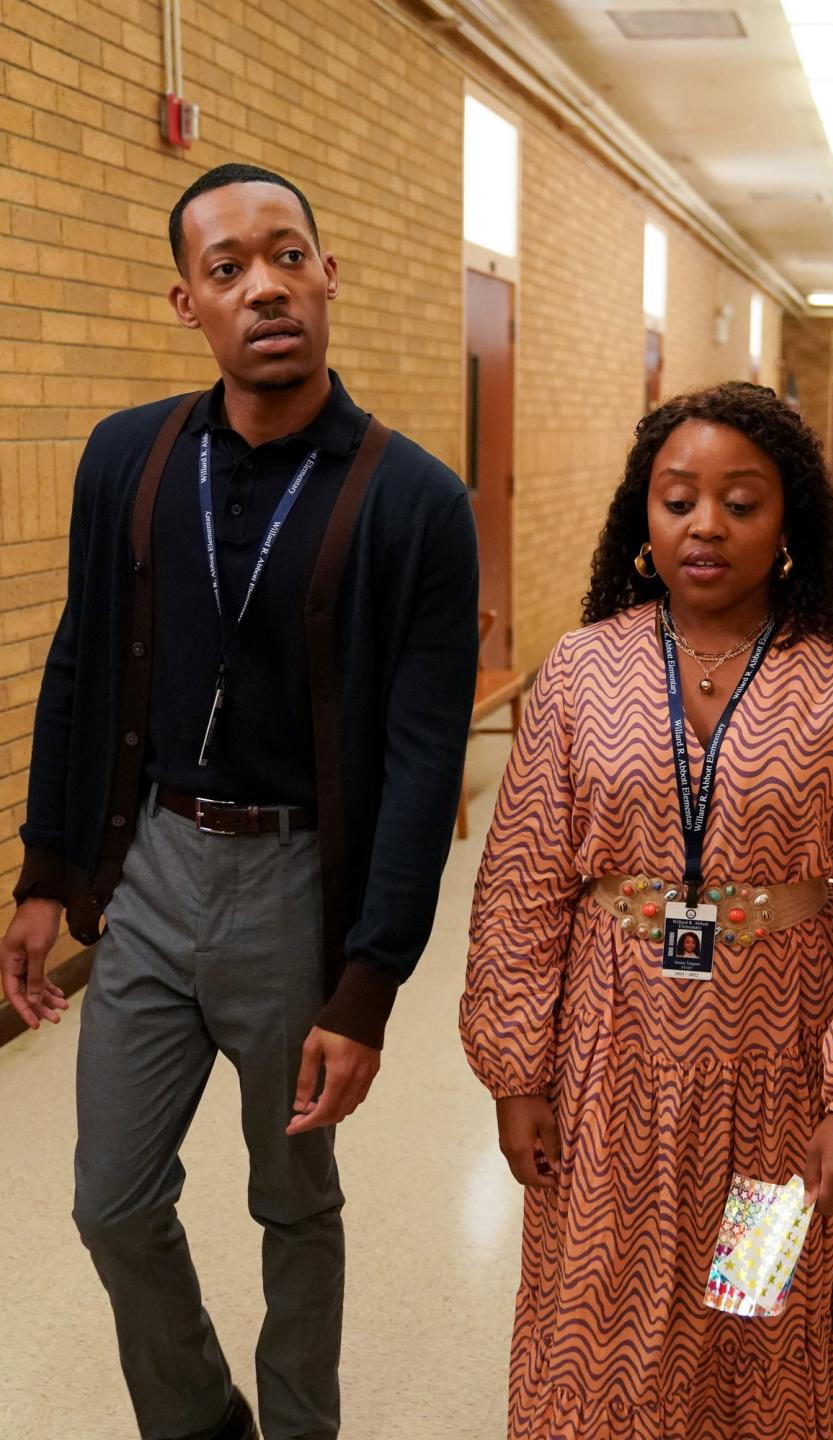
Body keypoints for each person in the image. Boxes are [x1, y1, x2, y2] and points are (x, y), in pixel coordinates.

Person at [1, 162, 479, 1440]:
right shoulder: (127, 458)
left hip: (290, 883)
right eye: (228, 268)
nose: (263, 284)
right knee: (110, 1199)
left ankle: (298, 1426)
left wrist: (368, 982)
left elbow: (427, 758)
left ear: (329, 275)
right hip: (151, 868)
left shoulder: (416, 502)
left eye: (286, 255)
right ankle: (201, 1421)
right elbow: (80, 661)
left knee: (292, 1201)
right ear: (187, 303)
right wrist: (48, 869)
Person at [461, 382, 833, 1440]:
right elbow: (524, 884)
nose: (707, 526)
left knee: (755, 1312)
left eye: (742, 501)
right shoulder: (584, 672)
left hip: (780, 1081)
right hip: (606, 1072)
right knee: (599, 1314)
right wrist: (516, 1073)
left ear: (790, 524)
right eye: (678, 500)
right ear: (644, 518)